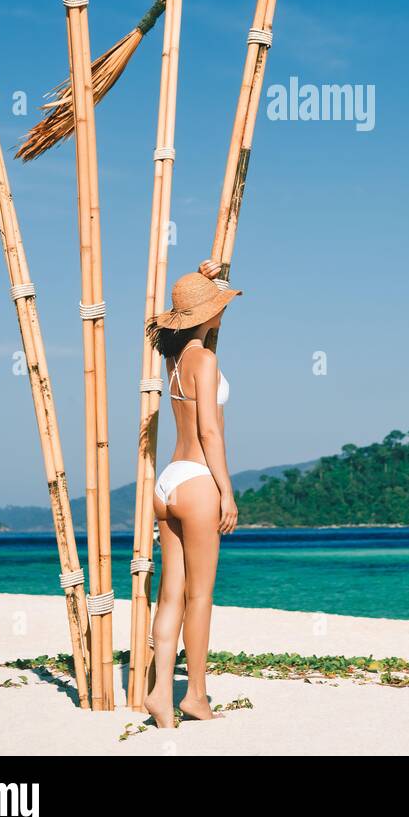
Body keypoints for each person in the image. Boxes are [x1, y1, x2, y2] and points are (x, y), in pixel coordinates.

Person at [143, 259, 241, 727]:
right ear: (207, 314)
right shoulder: (206, 359)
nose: (223, 309)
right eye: (218, 304)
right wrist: (227, 491)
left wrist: (212, 277)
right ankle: (195, 696)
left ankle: (161, 692)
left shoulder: (175, 357)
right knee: (200, 597)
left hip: (168, 483)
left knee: (170, 597)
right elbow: (210, 432)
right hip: (200, 480)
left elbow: (199, 314)